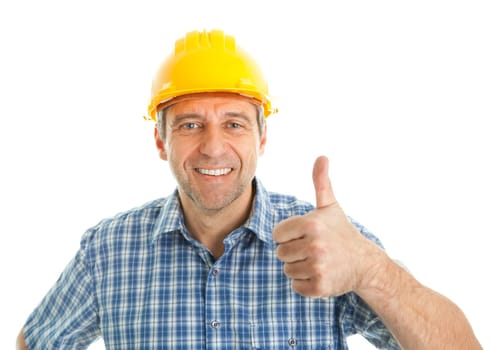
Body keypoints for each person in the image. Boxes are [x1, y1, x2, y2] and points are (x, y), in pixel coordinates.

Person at [17, 29, 481, 350]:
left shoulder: (328, 245)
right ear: (161, 140)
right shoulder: (107, 251)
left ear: (262, 137)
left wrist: (372, 272)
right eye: (191, 124)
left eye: (234, 123)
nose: (214, 147)